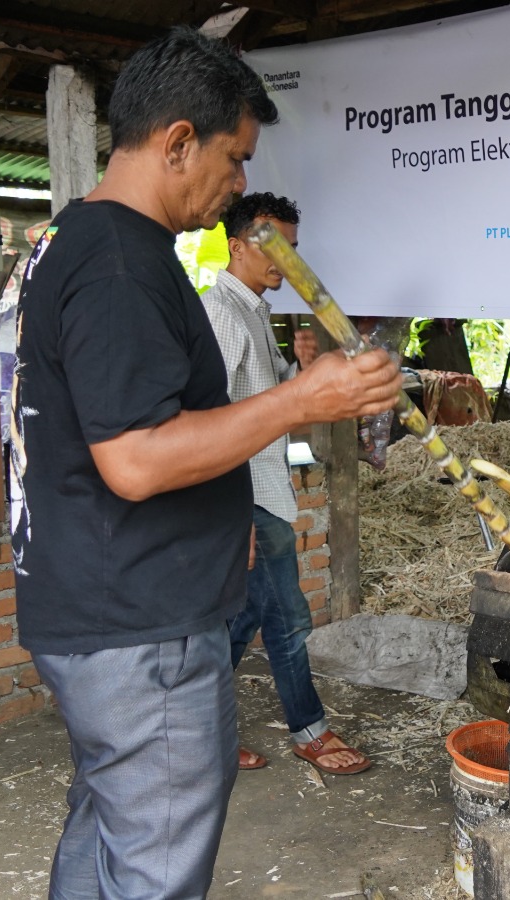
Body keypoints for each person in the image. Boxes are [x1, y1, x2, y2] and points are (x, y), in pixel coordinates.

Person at [7, 27, 401, 898]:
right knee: (156, 861)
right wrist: (300, 402)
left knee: (110, 830)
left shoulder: (75, 239)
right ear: (179, 141)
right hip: (139, 627)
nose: (238, 184)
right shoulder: (119, 264)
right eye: (235, 158)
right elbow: (135, 461)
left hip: (97, 610)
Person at [202, 192, 370, 776]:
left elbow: (271, 396)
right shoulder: (222, 314)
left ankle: (200, 735)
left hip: (263, 491)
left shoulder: (252, 309)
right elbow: (212, 420)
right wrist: (230, 514)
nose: (286, 260)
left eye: (292, 248)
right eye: (273, 245)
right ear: (236, 246)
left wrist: (298, 367)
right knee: (288, 620)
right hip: (246, 495)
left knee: (245, 620)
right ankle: (309, 731)